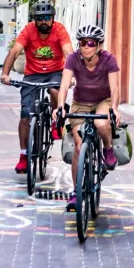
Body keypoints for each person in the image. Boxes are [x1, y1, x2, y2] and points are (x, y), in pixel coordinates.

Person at [53, 24, 120, 212]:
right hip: (80, 102)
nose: (86, 47)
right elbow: (65, 84)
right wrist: (60, 106)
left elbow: (114, 88)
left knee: (100, 123)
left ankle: (107, 149)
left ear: (99, 45)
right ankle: (76, 192)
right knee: (78, 145)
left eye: (90, 43)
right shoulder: (74, 59)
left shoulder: (109, 60)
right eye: (82, 43)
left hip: (103, 100)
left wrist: (114, 108)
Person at [1, 0, 73, 173]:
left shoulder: (59, 30)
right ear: (34, 19)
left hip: (55, 71)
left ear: (53, 18)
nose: (44, 21)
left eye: (47, 17)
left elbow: (69, 53)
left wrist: (72, 76)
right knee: (26, 115)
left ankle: (56, 120)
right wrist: (5, 73)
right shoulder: (28, 30)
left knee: (55, 89)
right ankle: (24, 155)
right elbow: (14, 52)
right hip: (33, 75)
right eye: (40, 18)